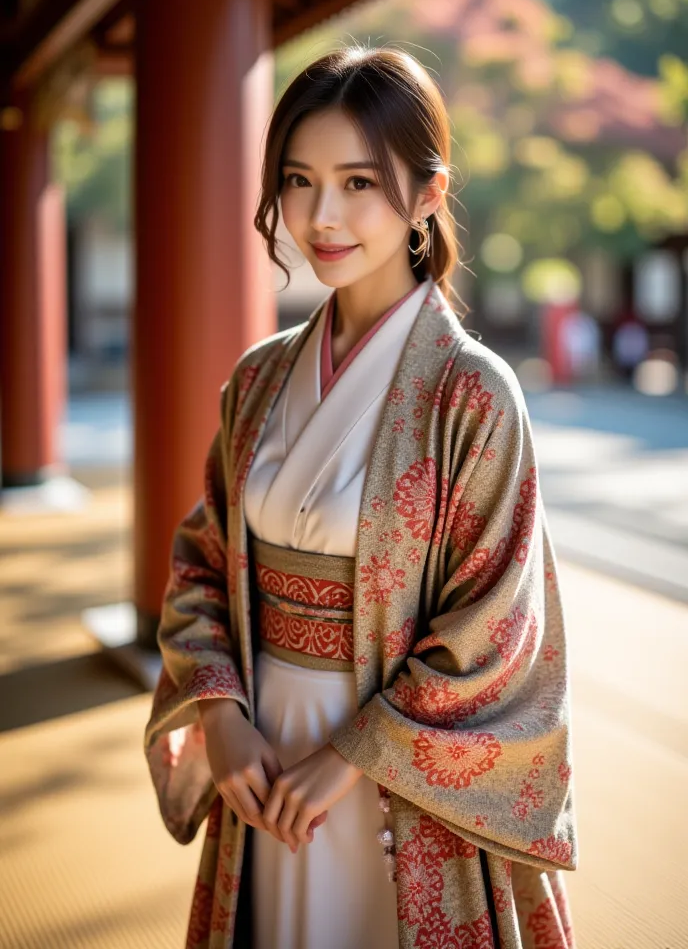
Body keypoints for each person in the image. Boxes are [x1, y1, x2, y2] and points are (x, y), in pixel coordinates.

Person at [144, 46, 577, 949]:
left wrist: (351, 756)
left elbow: (496, 629)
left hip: (398, 786)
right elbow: (203, 563)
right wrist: (221, 719)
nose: (321, 216)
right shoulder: (259, 380)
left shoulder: (473, 396)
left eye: (358, 183)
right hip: (261, 756)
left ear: (426, 194)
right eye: (299, 180)